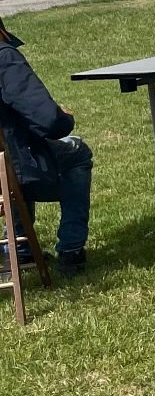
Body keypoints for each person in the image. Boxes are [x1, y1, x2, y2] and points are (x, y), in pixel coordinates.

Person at [0, 14, 91, 277]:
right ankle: (71, 249)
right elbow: (49, 121)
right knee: (78, 151)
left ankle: (18, 247)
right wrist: (64, 118)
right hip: (13, 172)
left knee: (10, 162)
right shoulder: (4, 59)